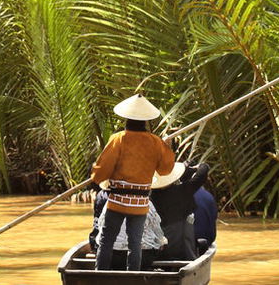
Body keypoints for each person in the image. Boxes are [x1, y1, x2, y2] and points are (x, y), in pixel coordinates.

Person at [90, 93, 175, 271]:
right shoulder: (155, 142)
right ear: (145, 121)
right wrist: (166, 147)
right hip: (140, 203)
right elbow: (165, 169)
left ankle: (100, 275)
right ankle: (133, 276)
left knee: (106, 240)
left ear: (127, 118)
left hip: (117, 202)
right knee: (135, 243)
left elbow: (103, 167)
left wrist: (95, 179)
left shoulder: (119, 139)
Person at [150, 161, 211, 260]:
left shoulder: (152, 196)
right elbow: (200, 177)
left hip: (159, 247)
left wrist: (189, 169)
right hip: (179, 246)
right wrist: (202, 166)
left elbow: (183, 178)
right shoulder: (180, 191)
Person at [88, 192, 168, 267]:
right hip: (143, 257)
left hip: (111, 257)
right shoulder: (147, 203)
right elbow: (158, 235)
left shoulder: (110, 202)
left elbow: (100, 227)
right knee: (161, 244)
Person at [193, 173, 217, 252]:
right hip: (207, 240)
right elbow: (213, 219)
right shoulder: (209, 197)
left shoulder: (182, 194)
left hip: (189, 242)